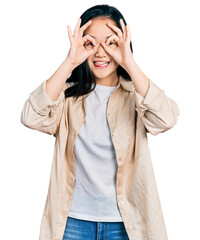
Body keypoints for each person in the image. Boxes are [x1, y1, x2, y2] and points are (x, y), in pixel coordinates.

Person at [20, 4, 180, 240]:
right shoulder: (66, 98)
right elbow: (30, 116)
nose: (101, 52)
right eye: (90, 43)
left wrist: (130, 63)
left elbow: (167, 118)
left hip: (126, 223)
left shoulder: (136, 95)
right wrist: (69, 62)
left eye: (111, 43)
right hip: (72, 222)